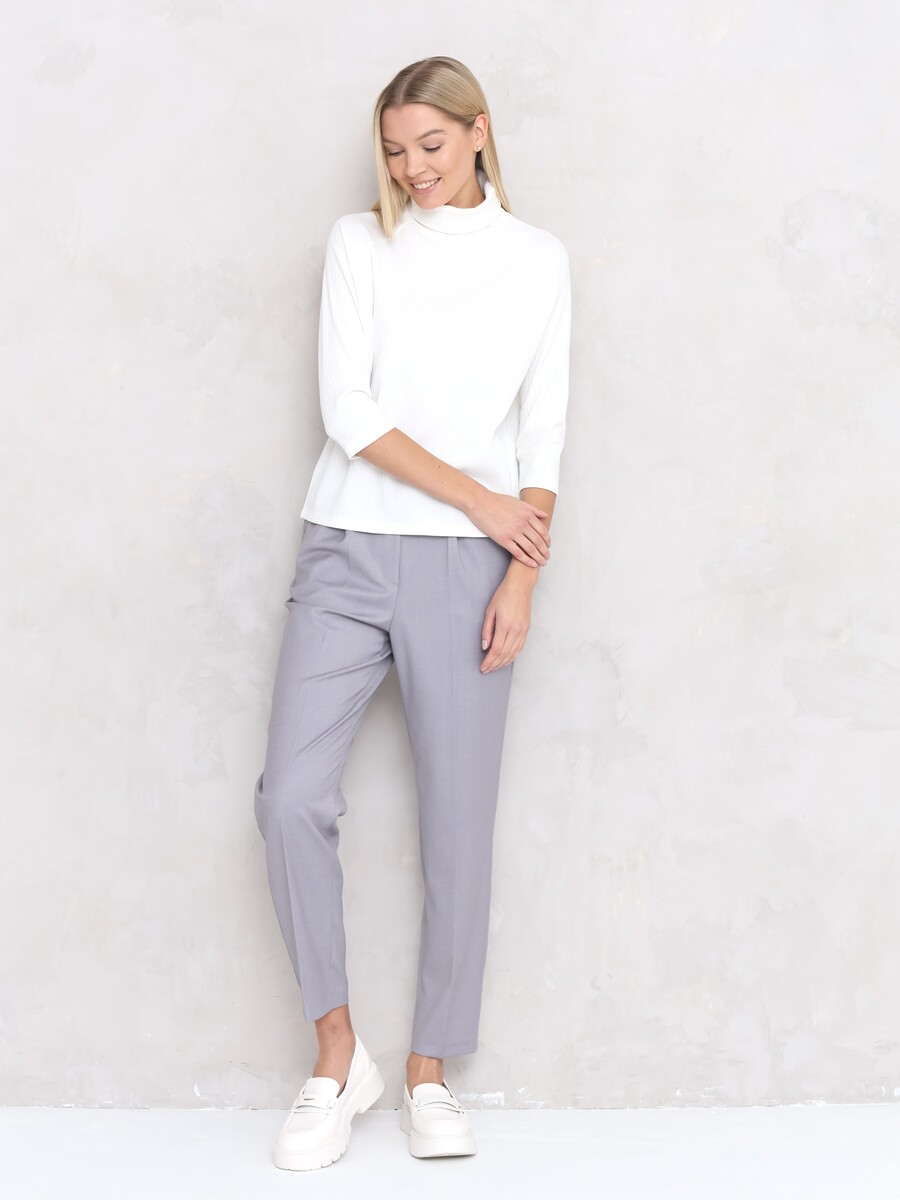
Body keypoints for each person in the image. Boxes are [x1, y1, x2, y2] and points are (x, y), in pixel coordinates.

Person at [253, 54, 571, 1171]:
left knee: (458, 824)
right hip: (347, 544)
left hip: (473, 569)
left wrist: (519, 575)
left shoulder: (538, 261)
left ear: (479, 132)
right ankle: (339, 1056)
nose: (412, 169)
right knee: (290, 797)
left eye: (430, 146)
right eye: (394, 151)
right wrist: (478, 499)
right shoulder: (360, 243)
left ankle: (430, 1071)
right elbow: (347, 409)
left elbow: (543, 431)